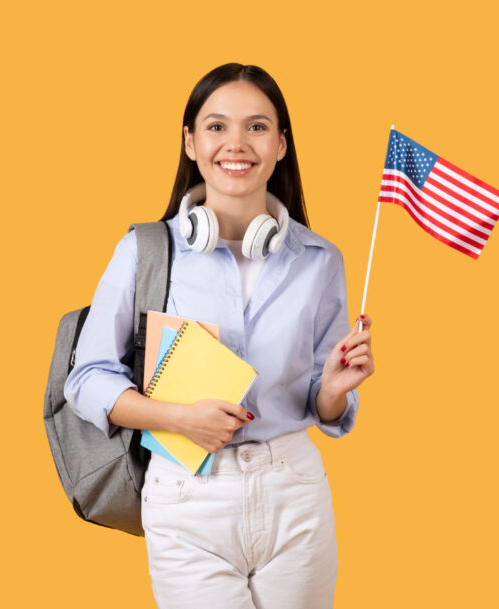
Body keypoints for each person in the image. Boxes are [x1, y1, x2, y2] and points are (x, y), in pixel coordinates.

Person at [64, 62, 375, 609]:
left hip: (295, 495)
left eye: (257, 127)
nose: (237, 143)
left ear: (281, 144)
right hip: (187, 495)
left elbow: (320, 408)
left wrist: (333, 389)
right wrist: (176, 418)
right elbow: (86, 379)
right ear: (189, 142)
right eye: (216, 126)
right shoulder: (144, 251)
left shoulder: (321, 260)